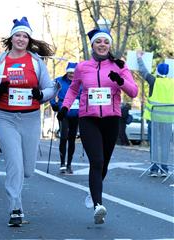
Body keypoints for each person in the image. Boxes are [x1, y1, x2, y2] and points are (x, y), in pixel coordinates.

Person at [58, 28, 138, 224]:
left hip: (111, 120)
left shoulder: (120, 66)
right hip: (89, 119)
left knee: (104, 163)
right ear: (92, 45)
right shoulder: (83, 67)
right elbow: (74, 89)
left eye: (106, 42)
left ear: (109, 45)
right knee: (97, 161)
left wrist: (120, 81)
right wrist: (65, 107)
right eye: (98, 42)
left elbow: (134, 91)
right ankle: (98, 205)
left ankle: (93, 192)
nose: (102, 44)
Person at [0, 16, 57, 227]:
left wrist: (40, 94)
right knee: (14, 163)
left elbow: (50, 88)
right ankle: (16, 208)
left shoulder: (36, 62)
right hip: (5, 118)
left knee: (27, 170)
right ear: (11, 37)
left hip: (31, 119)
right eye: (18, 35)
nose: (21, 39)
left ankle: (19, 192)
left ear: (29, 39)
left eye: (25, 36)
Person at [137, 51, 173, 177]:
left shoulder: (154, 81)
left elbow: (143, 71)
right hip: (168, 119)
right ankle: (165, 169)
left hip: (154, 117)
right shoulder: (172, 83)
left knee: (154, 144)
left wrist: (139, 58)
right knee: (164, 144)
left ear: (157, 71)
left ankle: (154, 169)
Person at [50, 62, 80, 174]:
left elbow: (84, 95)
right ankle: (62, 163)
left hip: (76, 114)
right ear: (67, 72)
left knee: (72, 139)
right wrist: (54, 104)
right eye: (70, 72)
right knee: (64, 137)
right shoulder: (59, 80)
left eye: (74, 73)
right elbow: (52, 92)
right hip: (63, 113)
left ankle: (69, 164)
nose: (72, 75)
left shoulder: (80, 82)